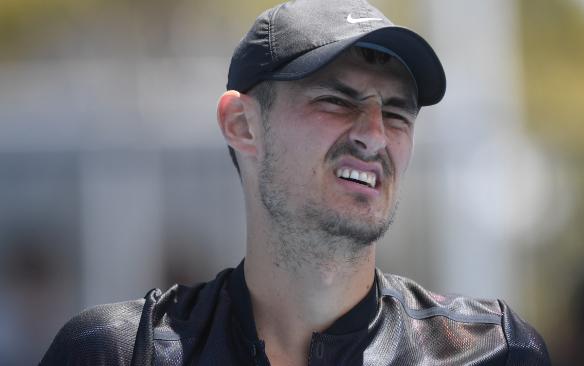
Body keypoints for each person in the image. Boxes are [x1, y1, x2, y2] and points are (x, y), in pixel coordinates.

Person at [41, 0, 551, 365]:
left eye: (397, 113)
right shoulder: (124, 351)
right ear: (243, 125)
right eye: (335, 101)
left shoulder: (494, 350)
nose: (374, 135)